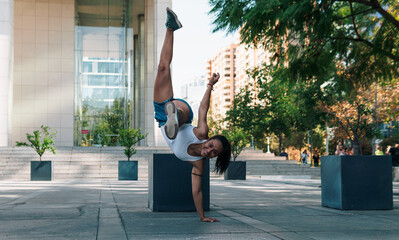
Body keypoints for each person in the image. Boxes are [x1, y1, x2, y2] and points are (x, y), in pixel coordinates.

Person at [153, 8, 231, 223]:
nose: (208, 150)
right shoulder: (202, 133)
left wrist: (202, 216)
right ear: (211, 139)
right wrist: (210, 86)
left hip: (161, 117)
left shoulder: (198, 164)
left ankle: (171, 26)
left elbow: (197, 191)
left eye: (212, 153)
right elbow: (203, 110)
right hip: (183, 112)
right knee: (180, 113)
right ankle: (175, 117)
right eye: (211, 145)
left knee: (162, 68)